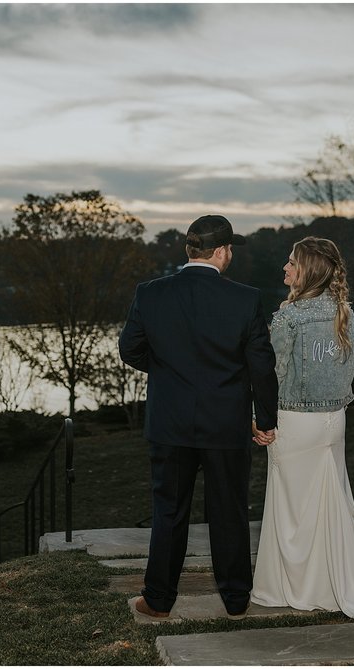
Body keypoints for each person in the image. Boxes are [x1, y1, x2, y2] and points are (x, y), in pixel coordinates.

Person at [119, 214, 279, 622]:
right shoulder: (245, 299)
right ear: (223, 252)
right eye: (230, 251)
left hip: (169, 423)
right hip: (225, 424)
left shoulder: (150, 293)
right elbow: (261, 366)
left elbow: (130, 350)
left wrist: (170, 372)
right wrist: (265, 418)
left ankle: (157, 600)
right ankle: (236, 600)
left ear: (189, 251)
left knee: (169, 512)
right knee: (229, 511)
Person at [250, 236, 354, 622]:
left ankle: (295, 588)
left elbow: (272, 375)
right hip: (333, 423)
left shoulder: (288, 318)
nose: (284, 269)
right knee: (325, 505)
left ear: (307, 271)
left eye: (291, 263)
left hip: (295, 422)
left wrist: (259, 419)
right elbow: (349, 370)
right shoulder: (345, 313)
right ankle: (326, 585)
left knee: (292, 511)